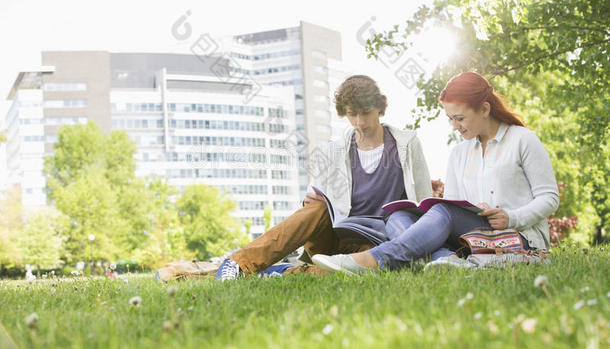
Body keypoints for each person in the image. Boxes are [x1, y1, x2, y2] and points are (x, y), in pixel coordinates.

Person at [312, 72, 560, 273]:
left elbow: (550, 198)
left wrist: (511, 217)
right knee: (397, 218)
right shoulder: (460, 152)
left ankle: (373, 260)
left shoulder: (522, 140)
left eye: (460, 118)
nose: (455, 127)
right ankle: (449, 260)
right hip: (474, 234)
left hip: (519, 235)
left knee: (441, 212)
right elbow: (453, 205)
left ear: (484, 109)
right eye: (450, 119)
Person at [216, 75, 437, 280]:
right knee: (317, 208)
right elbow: (316, 203)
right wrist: (308, 203)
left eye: (366, 112)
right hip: (334, 238)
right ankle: (237, 264)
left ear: (379, 107)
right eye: (352, 114)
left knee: (371, 265)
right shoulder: (334, 150)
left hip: (378, 243)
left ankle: (285, 272)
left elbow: (424, 203)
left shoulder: (407, 144)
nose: (360, 122)